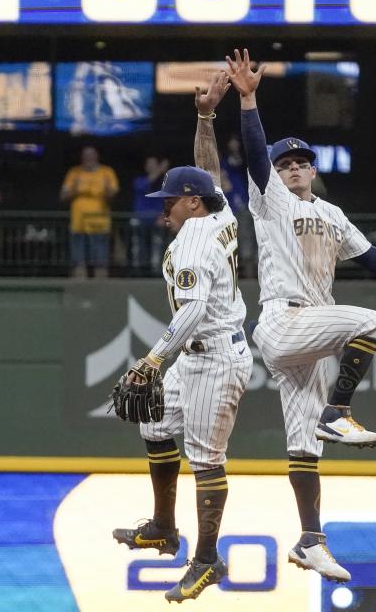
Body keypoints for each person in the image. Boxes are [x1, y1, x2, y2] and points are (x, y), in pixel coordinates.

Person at [226, 48, 376, 583]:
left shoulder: (331, 213)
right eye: (285, 164)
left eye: (301, 163)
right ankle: (337, 409)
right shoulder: (269, 199)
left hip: (313, 334)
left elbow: (371, 258)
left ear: (314, 169)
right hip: (283, 319)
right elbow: (255, 156)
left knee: (303, 446)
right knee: (371, 322)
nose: (293, 169)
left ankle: (310, 539)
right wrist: (249, 99)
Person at [112, 72, 253, 604]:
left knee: (207, 458)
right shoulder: (219, 214)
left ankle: (207, 560)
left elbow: (191, 313)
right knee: (153, 423)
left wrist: (151, 361)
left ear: (189, 204)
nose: (162, 209)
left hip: (214, 356)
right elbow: (209, 176)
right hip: (196, 355)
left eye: (168, 202)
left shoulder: (194, 240)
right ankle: (165, 529)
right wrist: (205, 117)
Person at [60, 146, 119, 278]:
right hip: (78, 224)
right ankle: (79, 293)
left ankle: (101, 292)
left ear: (97, 156)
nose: (88, 158)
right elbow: (63, 196)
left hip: (100, 223)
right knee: (78, 261)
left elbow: (113, 195)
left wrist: (107, 189)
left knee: (100, 261)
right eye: (86, 155)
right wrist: (75, 187)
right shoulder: (74, 172)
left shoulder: (107, 172)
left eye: (91, 155)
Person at [220, 134, 256, 277]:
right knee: (228, 242)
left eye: (236, 143)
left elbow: (237, 162)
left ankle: (249, 272)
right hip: (226, 210)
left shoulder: (240, 163)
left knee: (246, 237)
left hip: (243, 207)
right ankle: (229, 274)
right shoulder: (222, 163)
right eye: (232, 143)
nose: (234, 145)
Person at [130, 154, 170, 276]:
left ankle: (156, 272)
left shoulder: (164, 184)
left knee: (157, 249)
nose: (152, 167)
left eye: (155, 165)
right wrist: (160, 169)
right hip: (141, 221)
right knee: (139, 249)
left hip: (157, 222)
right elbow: (148, 182)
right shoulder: (139, 181)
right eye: (150, 165)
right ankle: (139, 272)